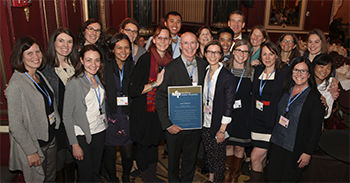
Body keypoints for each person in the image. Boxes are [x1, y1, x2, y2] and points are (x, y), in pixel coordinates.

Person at [155, 32, 208, 183]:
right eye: (185, 43)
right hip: (175, 125)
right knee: (172, 162)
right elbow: (160, 98)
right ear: (180, 46)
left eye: (193, 43)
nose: (189, 47)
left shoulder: (204, 66)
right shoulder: (170, 67)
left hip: (195, 124)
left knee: (190, 161)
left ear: (197, 45)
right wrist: (167, 124)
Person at [7, 36, 60, 182]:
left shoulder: (39, 75)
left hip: (50, 138)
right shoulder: (16, 85)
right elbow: (16, 125)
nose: (36, 57)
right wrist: (31, 151)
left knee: (50, 178)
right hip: (35, 144)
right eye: (29, 53)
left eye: (37, 52)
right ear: (21, 57)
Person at [267, 57, 325, 183]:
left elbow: (316, 130)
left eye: (303, 71)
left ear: (309, 74)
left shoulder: (314, 98)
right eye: (296, 70)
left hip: (295, 147)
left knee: (287, 180)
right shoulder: (286, 89)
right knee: (271, 177)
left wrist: (308, 152)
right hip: (277, 142)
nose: (299, 74)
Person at [129, 25, 173, 183]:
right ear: (153, 40)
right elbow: (133, 90)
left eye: (166, 38)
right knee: (142, 145)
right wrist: (155, 84)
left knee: (154, 144)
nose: (162, 41)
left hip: (159, 110)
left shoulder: (171, 61)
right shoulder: (146, 59)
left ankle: (152, 175)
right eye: (159, 37)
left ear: (170, 40)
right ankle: (147, 178)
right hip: (143, 110)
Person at [63, 44, 106, 183]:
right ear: (81, 60)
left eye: (97, 60)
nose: (93, 64)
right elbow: (67, 116)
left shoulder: (98, 78)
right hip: (82, 134)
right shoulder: (74, 82)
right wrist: (74, 144)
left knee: (95, 171)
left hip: (99, 131)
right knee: (86, 175)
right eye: (89, 60)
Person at [41, 27, 79, 182]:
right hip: (57, 124)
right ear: (53, 43)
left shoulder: (76, 65)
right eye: (61, 41)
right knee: (59, 161)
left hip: (74, 121)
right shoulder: (45, 68)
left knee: (72, 159)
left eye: (69, 41)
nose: (65, 45)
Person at [249, 42, 288, 183]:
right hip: (256, 120)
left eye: (271, 54)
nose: (267, 57)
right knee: (262, 158)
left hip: (271, 122)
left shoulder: (284, 72)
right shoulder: (258, 70)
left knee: (255, 157)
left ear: (276, 55)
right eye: (264, 54)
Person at [202, 40, 236, 183]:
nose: (213, 55)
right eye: (210, 51)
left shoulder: (227, 77)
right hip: (205, 120)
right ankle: (211, 179)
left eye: (216, 52)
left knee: (219, 157)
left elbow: (229, 105)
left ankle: (217, 181)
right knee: (209, 154)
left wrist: (222, 130)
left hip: (219, 124)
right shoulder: (205, 71)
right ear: (205, 54)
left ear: (221, 55)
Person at [103, 33, 134, 183]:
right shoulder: (104, 65)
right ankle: (113, 178)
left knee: (128, 154)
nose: (123, 51)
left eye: (126, 47)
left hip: (127, 115)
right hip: (109, 114)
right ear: (113, 49)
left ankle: (126, 176)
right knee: (110, 154)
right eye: (119, 47)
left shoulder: (131, 66)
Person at [224, 39, 254, 183]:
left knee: (239, 148)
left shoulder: (252, 72)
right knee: (228, 145)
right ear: (233, 51)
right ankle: (227, 175)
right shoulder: (224, 69)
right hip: (227, 115)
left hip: (243, 116)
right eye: (239, 50)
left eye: (245, 51)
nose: (242, 54)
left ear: (249, 55)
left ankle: (235, 177)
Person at [313, 54, 335, 119]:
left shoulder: (330, 87)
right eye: (321, 66)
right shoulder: (304, 80)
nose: (324, 71)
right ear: (314, 66)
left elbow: (327, 115)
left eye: (328, 68)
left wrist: (325, 106)